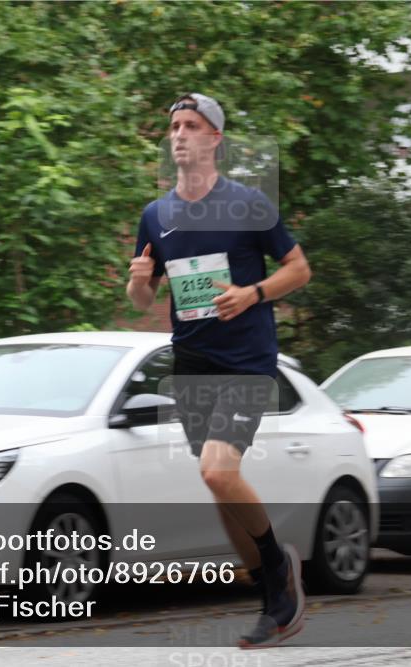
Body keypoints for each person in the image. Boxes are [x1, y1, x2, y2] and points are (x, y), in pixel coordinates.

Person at [126, 93, 313, 649]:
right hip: (192, 363)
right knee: (221, 488)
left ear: (215, 139)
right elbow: (143, 300)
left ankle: (276, 565)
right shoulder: (156, 216)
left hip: (246, 361)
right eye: (174, 127)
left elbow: (299, 269)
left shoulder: (247, 204)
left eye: (191, 126)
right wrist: (137, 281)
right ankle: (274, 599)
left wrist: (252, 293)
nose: (179, 135)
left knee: (216, 473)